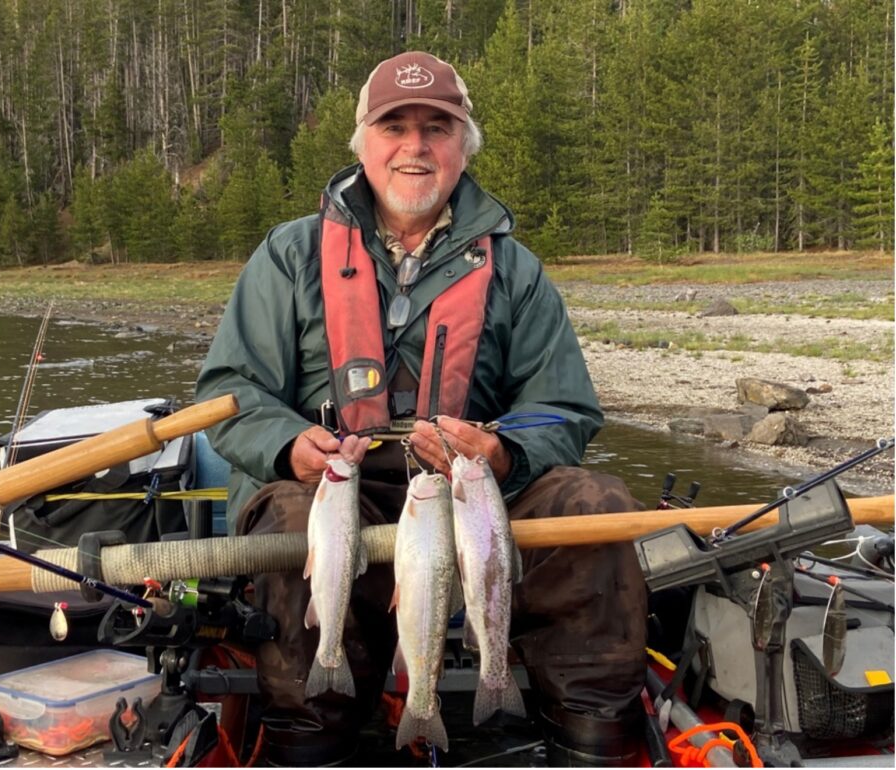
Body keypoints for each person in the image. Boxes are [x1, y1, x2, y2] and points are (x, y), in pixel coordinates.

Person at [196, 51, 647, 767]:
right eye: (394, 126)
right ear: (363, 144)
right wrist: (289, 445)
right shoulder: (288, 256)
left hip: (475, 499)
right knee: (286, 519)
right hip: (334, 493)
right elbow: (229, 394)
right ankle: (311, 739)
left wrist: (502, 451)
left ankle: (594, 743)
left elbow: (564, 409)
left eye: (437, 127)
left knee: (594, 505)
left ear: (463, 146)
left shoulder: (516, 272)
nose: (414, 146)